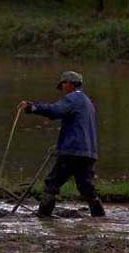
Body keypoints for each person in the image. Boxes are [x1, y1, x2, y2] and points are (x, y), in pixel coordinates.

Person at [20, 70, 106, 218]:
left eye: (63, 85)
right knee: (86, 187)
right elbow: (79, 127)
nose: (62, 90)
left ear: (69, 84)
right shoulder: (87, 102)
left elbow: (55, 111)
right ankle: (100, 218)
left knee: (52, 183)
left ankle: (43, 216)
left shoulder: (73, 99)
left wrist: (32, 107)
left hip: (72, 151)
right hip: (88, 153)